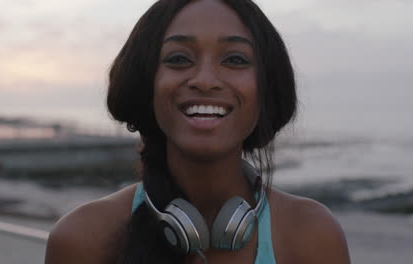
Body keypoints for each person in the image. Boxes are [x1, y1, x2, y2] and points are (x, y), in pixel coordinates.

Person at [45, 0, 351, 263]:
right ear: (146, 84)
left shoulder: (313, 237)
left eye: (235, 59)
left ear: (266, 90)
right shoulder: (81, 239)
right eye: (179, 59)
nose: (205, 80)